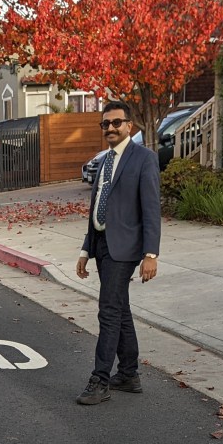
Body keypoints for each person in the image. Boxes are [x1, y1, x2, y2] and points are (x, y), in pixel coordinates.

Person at [75, 100, 161, 406]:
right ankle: (127, 373)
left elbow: (151, 209)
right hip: (101, 243)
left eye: (116, 123)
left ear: (129, 126)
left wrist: (151, 253)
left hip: (124, 248)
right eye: (105, 124)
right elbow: (97, 205)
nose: (110, 128)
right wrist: (86, 249)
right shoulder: (105, 161)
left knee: (108, 310)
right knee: (119, 308)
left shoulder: (144, 159)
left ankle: (100, 379)